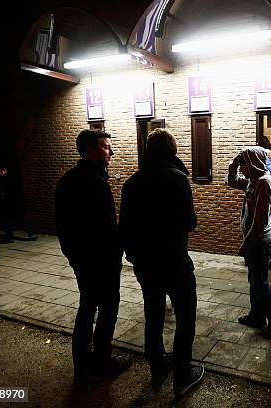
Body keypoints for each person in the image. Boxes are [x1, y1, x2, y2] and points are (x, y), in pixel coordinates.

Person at [119, 128, 204, 397]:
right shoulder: (178, 179)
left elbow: (125, 228)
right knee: (185, 316)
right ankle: (182, 374)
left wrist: (132, 254)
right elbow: (189, 222)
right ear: (172, 150)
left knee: (153, 315)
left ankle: (157, 367)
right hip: (174, 261)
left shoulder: (132, 183)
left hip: (146, 263)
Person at [54, 130, 131, 383]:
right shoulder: (95, 184)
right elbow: (107, 228)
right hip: (102, 261)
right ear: (88, 150)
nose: (111, 152)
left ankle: (82, 363)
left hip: (82, 260)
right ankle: (101, 361)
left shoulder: (68, 180)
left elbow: (63, 226)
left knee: (87, 308)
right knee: (108, 309)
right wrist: (117, 251)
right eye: (106, 147)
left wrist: (73, 257)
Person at [228, 146, 271, 339]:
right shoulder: (253, 180)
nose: (242, 167)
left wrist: (246, 244)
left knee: (260, 284)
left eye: (244, 163)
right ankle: (257, 316)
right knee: (254, 282)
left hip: (260, 242)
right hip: (256, 241)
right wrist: (234, 163)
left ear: (253, 163)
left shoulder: (264, 182)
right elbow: (231, 181)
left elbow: (260, 222)